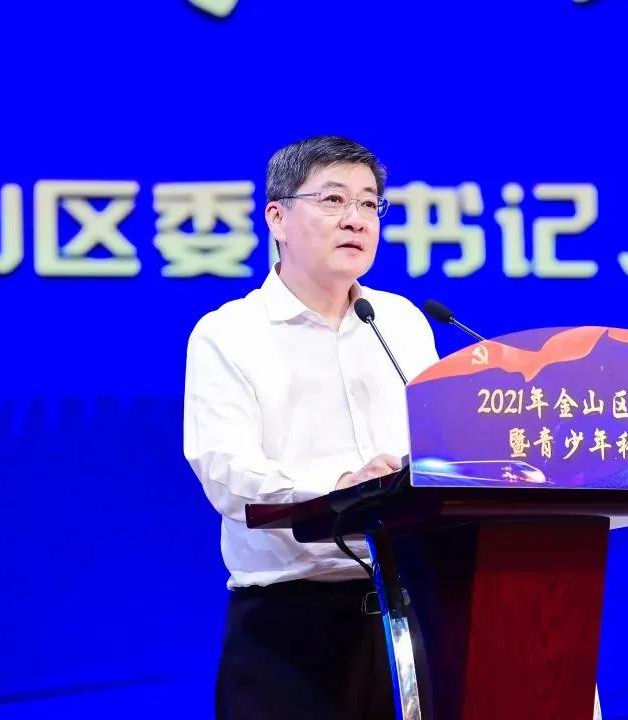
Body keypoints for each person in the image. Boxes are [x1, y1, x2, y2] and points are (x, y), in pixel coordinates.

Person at [182, 136, 440, 720]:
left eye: (369, 203)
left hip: (412, 610)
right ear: (277, 218)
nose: (356, 219)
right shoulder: (230, 333)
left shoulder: (400, 323)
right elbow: (226, 472)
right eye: (333, 200)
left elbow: (437, 448)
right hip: (291, 627)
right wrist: (340, 489)